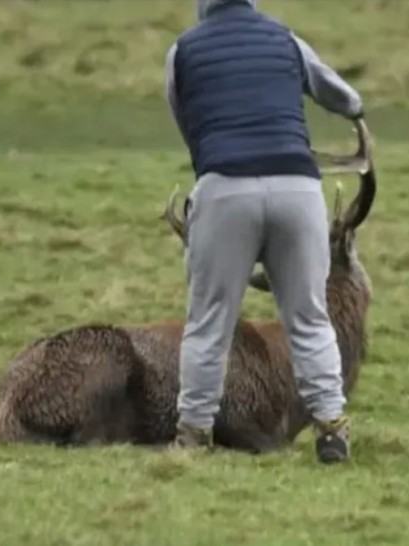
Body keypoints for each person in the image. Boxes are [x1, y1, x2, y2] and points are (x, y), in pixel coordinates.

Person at [163, 0, 365, 464]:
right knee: (310, 318)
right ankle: (332, 428)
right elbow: (347, 99)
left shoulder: (183, 51)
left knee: (209, 322)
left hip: (224, 187)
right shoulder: (286, 40)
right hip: (297, 186)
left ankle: (193, 435)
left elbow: (186, 120)